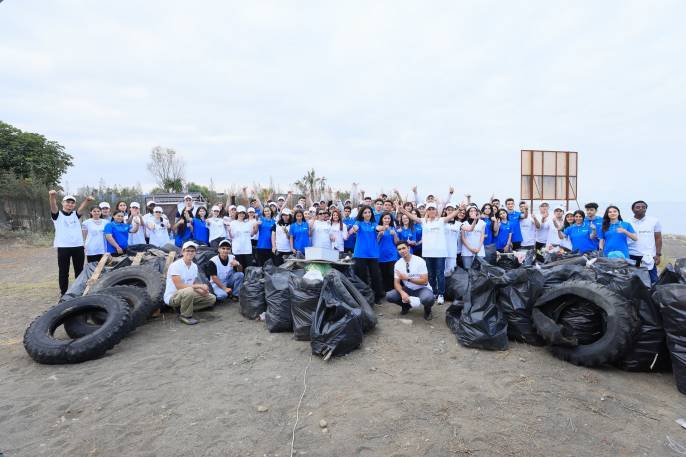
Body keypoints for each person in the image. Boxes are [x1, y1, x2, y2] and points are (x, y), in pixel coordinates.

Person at [399, 201, 461, 305]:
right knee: (431, 275)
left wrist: (459, 209)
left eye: (433, 209)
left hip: (440, 253)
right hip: (428, 253)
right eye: (429, 209)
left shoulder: (441, 220)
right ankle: (434, 292)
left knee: (440, 274)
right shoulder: (424, 221)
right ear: (427, 211)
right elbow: (413, 217)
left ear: (436, 211)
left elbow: (451, 215)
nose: (431, 211)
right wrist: (403, 210)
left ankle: (441, 294)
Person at [49, 191, 92, 295]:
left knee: (79, 271)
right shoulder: (57, 215)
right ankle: (64, 293)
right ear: (63, 203)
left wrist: (87, 200)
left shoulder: (75, 215)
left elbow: (82, 208)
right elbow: (53, 206)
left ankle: (79, 291)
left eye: (72, 203)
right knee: (64, 272)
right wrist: (52, 196)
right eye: (68, 202)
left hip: (78, 246)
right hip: (63, 247)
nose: (70, 204)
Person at [164, 241, 216, 325]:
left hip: (187, 294)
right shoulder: (175, 265)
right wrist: (200, 286)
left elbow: (193, 282)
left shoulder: (194, 266)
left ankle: (182, 309)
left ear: (195, 253)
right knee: (189, 290)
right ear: (182, 252)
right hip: (173, 296)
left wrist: (201, 291)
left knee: (211, 298)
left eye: (192, 251)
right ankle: (185, 315)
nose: (190, 253)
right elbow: (179, 286)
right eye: (187, 250)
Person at [385, 241, 435, 321]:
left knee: (428, 298)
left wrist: (407, 278)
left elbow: (424, 281)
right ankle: (406, 306)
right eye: (399, 249)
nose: (402, 251)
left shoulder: (419, 261)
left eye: (404, 248)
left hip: (422, 288)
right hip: (408, 289)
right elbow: (396, 283)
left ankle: (427, 310)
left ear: (409, 248)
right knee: (389, 296)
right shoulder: (398, 264)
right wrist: (402, 293)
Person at [349, 205, 384, 303]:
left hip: (373, 254)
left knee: (375, 276)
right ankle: (363, 297)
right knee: (361, 277)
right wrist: (353, 229)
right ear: (362, 214)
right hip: (360, 254)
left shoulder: (373, 223)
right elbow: (355, 227)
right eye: (365, 212)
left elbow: (378, 228)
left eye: (369, 212)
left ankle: (377, 298)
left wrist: (383, 227)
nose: (367, 214)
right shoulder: (358, 222)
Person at [628, 200, 662, 283]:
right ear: (632, 209)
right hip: (632, 255)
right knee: (634, 281)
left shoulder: (654, 221)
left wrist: (658, 254)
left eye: (644, 207)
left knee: (653, 281)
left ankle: (653, 296)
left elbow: (658, 238)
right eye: (638, 207)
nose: (641, 209)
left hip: (648, 256)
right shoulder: (627, 222)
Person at [377, 212, 400, 292]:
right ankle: (384, 291)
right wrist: (379, 235)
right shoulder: (378, 228)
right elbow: (375, 242)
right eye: (385, 218)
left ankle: (392, 291)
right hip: (381, 255)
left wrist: (395, 235)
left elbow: (397, 242)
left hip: (392, 255)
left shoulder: (393, 229)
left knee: (391, 274)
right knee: (382, 274)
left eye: (388, 218)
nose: (387, 220)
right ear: (382, 219)